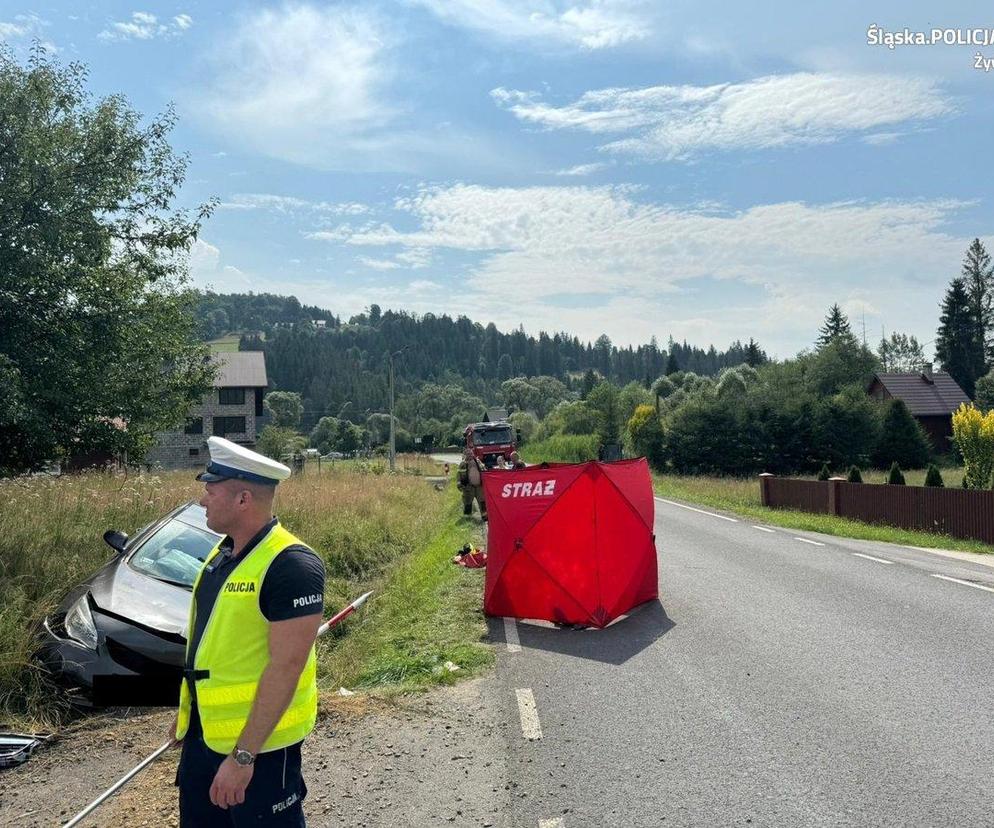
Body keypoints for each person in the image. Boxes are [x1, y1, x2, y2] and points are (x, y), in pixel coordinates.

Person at [171, 436, 326, 827]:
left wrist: (243, 758)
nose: (202, 499)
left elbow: (286, 667)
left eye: (210, 489)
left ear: (243, 499)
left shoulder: (291, 565)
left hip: (261, 752)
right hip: (205, 740)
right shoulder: (222, 555)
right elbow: (213, 648)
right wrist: (188, 717)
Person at [456, 448, 487, 520]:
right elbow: (459, 475)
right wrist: (459, 486)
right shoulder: (462, 464)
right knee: (468, 503)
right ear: (465, 455)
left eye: (471, 453)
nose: (470, 455)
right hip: (468, 487)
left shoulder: (477, 461)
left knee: (482, 502)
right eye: (468, 454)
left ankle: (485, 517)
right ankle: (467, 518)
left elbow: (484, 470)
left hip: (479, 487)